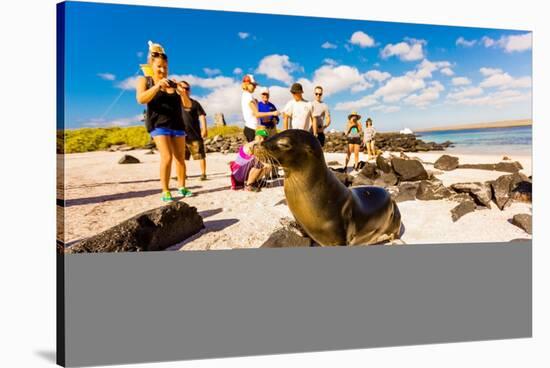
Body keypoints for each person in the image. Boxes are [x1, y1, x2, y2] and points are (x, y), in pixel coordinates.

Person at [135, 41, 193, 202]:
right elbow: (140, 99)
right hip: (158, 124)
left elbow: (187, 106)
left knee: (180, 158)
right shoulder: (144, 80)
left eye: (165, 67)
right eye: (159, 66)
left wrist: (182, 93)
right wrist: (156, 86)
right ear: (152, 65)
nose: (162, 70)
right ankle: (165, 190)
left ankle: (182, 186)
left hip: (177, 124)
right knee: (166, 157)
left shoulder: (173, 83)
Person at [178, 80, 208, 181]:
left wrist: (204, 129)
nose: (185, 90)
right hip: (180, 135)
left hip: (194, 134)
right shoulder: (175, 103)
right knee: (181, 157)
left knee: (200, 155)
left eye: (187, 88)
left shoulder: (195, 103)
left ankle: (203, 174)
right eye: (183, 88)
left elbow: (202, 116)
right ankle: (183, 174)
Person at [241, 74, 279, 142]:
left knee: (265, 141)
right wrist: (272, 113)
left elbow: (252, 112)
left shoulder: (247, 96)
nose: (255, 87)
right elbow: (257, 114)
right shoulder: (248, 96)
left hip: (256, 128)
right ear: (247, 84)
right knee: (255, 149)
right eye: (254, 85)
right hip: (252, 129)